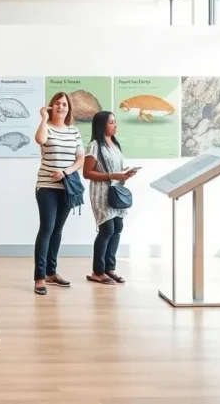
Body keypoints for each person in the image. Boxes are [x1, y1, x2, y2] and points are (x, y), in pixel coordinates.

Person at [32, 92, 84, 295]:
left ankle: (51, 273)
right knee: (46, 229)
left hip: (66, 187)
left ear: (69, 108)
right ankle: (39, 277)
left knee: (58, 231)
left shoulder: (74, 132)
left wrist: (65, 172)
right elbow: (40, 139)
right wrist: (44, 119)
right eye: (57, 104)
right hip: (46, 187)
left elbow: (80, 159)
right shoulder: (46, 128)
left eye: (64, 104)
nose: (61, 107)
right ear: (51, 106)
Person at [83, 111, 137, 285]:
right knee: (106, 229)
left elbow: (116, 168)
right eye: (111, 122)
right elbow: (87, 173)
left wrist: (125, 173)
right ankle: (97, 271)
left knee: (117, 228)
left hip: (116, 191)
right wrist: (113, 174)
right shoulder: (94, 145)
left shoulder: (115, 144)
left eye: (115, 122)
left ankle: (109, 268)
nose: (115, 125)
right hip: (101, 193)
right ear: (101, 125)